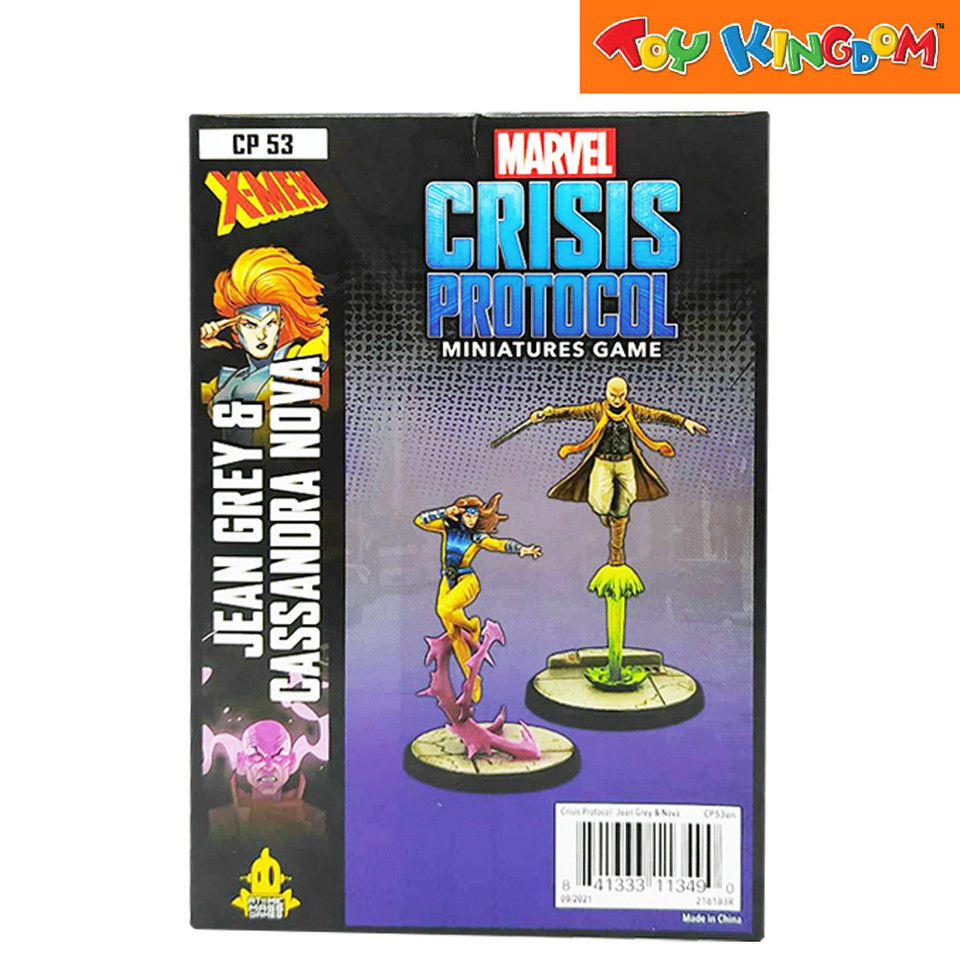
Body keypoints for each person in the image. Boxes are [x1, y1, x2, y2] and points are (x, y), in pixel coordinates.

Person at [528, 376, 707, 565]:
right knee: (600, 503)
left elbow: (658, 415)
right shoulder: (597, 409)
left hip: (626, 463)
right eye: (613, 395)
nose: (617, 400)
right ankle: (607, 515)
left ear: (626, 394)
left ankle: (617, 554)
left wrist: (683, 421)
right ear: (607, 393)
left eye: (621, 396)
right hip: (602, 463)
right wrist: (546, 415)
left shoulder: (633, 410)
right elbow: (572, 412)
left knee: (623, 506)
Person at [414, 494, 541, 702]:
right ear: (460, 514)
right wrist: (445, 512)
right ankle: (472, 679)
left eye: (475, 516)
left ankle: (472, 625)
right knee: (454, 634)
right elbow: (420, 521)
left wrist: (521, 549)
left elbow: (497, 544)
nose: (472, 519)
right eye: (468, 515)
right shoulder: (448, 527)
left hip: (467, 581)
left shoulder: (477, 537)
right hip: (448, 580)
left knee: (444, 609)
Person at [199, 247, 329, 443]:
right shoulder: (230, 379)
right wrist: (200, 346)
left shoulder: (294, 361)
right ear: (235, 329)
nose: (261, 335)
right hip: (239, 461)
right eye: (250, 325)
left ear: (281, 325)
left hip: (286, 459)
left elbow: (323, 345)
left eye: (270, 323)